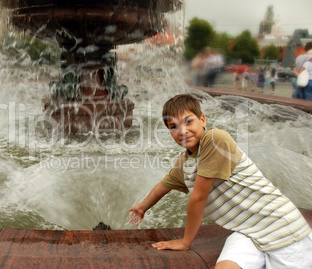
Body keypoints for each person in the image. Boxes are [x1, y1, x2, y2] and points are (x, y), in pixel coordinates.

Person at [128, 94, 312, 269]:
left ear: (203, 120)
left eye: (188, 121)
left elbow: (199, 197)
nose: (182, 131)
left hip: (282, 231)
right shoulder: (186, 161)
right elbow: (163, 186)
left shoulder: (215, 140)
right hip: (249, 233)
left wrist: (185, 241)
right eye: (173, 126)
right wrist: (142, 207)